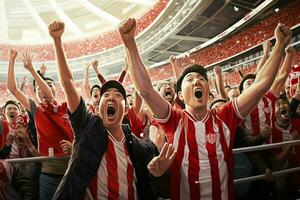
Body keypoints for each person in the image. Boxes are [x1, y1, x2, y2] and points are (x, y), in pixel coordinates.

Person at [119, 17, 291, 199]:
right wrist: (130, 43)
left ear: (209, 90)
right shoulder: (174, 119)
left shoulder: (226, 115)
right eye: (189, 79)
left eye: (201, 79)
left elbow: (261, 84)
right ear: (179, 95)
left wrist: (279, 45)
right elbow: (145, 90)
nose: (197, 81)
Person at [48, 20, 169, 200]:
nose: (111, 97)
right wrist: (57, 41)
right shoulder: (86, 128)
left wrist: (159, 173)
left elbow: (153, 183)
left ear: (126, 108)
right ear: (98, 107)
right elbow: (68, 84)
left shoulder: (137, 146)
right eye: (106, 95)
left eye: (118, 95)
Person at [7, 50, 74, 200]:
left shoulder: (67, 107)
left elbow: (49, 95)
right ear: (36, 95)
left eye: (48, 85)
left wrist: (32, 70)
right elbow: (12, 89)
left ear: (55, 88)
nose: (42, 91)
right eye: (38, 89)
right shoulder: (37, 111)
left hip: (72, 172)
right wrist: (12, 59)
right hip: (48, 175)